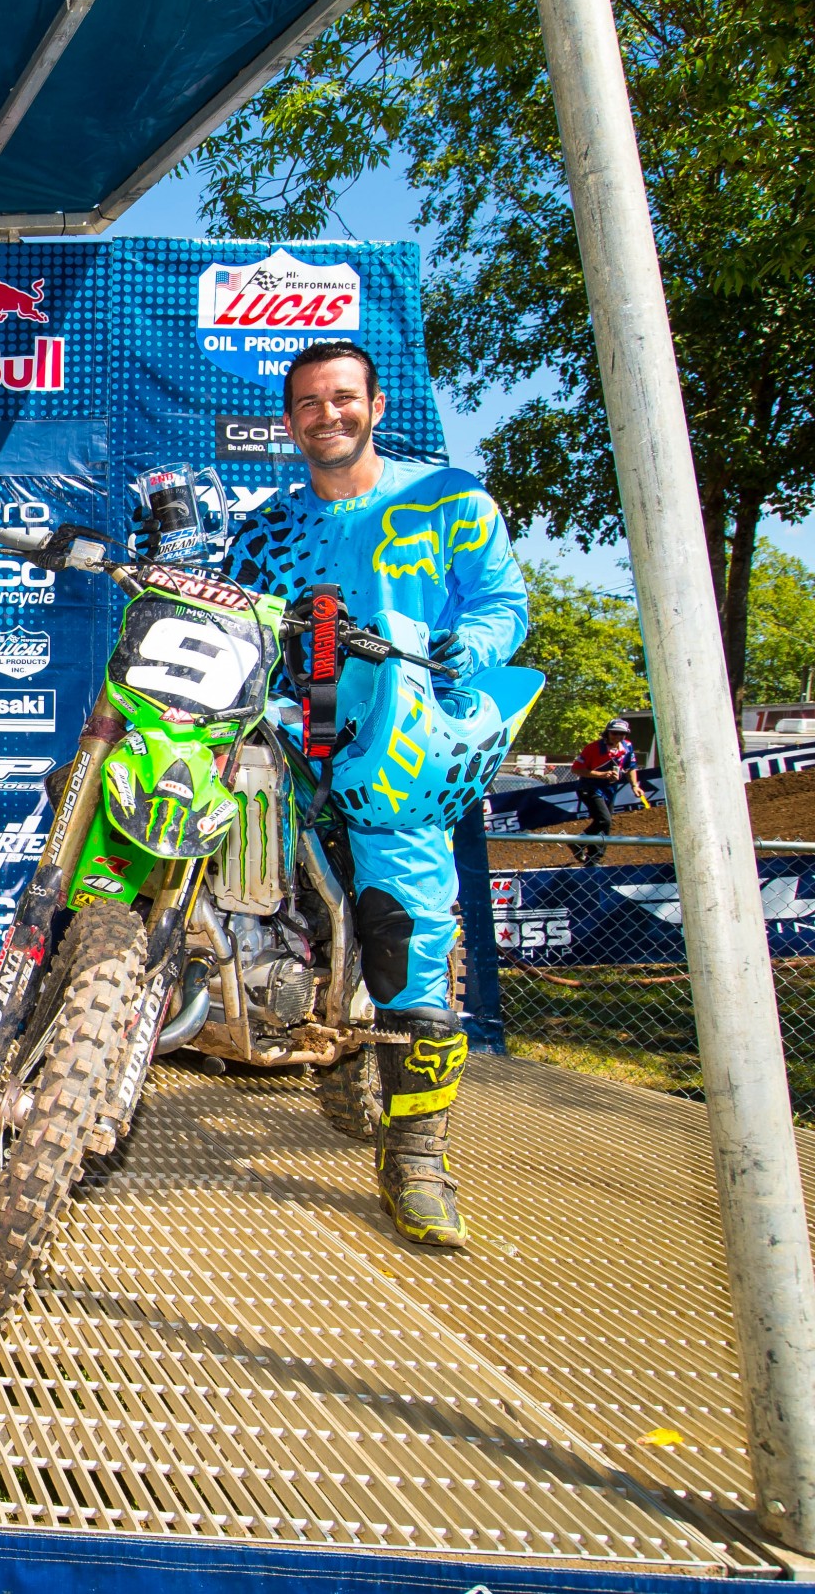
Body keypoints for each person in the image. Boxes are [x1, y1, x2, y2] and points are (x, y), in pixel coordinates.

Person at [222, 341, 530, 1250]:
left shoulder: (449, 501)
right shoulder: (264, 529)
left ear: (376, 405)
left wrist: (470, 643)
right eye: (310, 403)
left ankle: (419, 1156)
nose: (328, 415)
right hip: (286, 756)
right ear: (290, 421)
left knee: (407, 939)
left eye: (343, 398)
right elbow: (233, 627)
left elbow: (503, 603)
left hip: (397, 753)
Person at [570, 719, 644, 866]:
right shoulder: (593, 748)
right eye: (614, 733)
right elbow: (576, 769)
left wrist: (635, 785)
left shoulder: (627, 747)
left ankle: (593, 859)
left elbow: (631, 767)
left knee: (604, 825)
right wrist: (602, 774)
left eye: (621, 734)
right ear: (607, 733)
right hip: (589, 788)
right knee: (604, 819)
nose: (617, 736)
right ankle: (578, 841)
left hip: (609, 789)